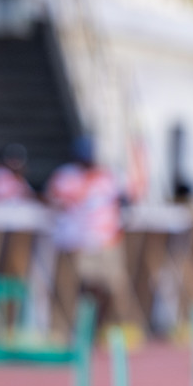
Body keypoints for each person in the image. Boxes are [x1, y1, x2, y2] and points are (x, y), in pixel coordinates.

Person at [43, 137, 132, 338]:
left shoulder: (107, 176)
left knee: (107, 287)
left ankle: (100, 327)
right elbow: (53, 203)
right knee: (79, 286)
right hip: (77, 242)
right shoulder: (66, 177)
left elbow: (123, 200)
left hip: (106, 239)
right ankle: (74, 328)